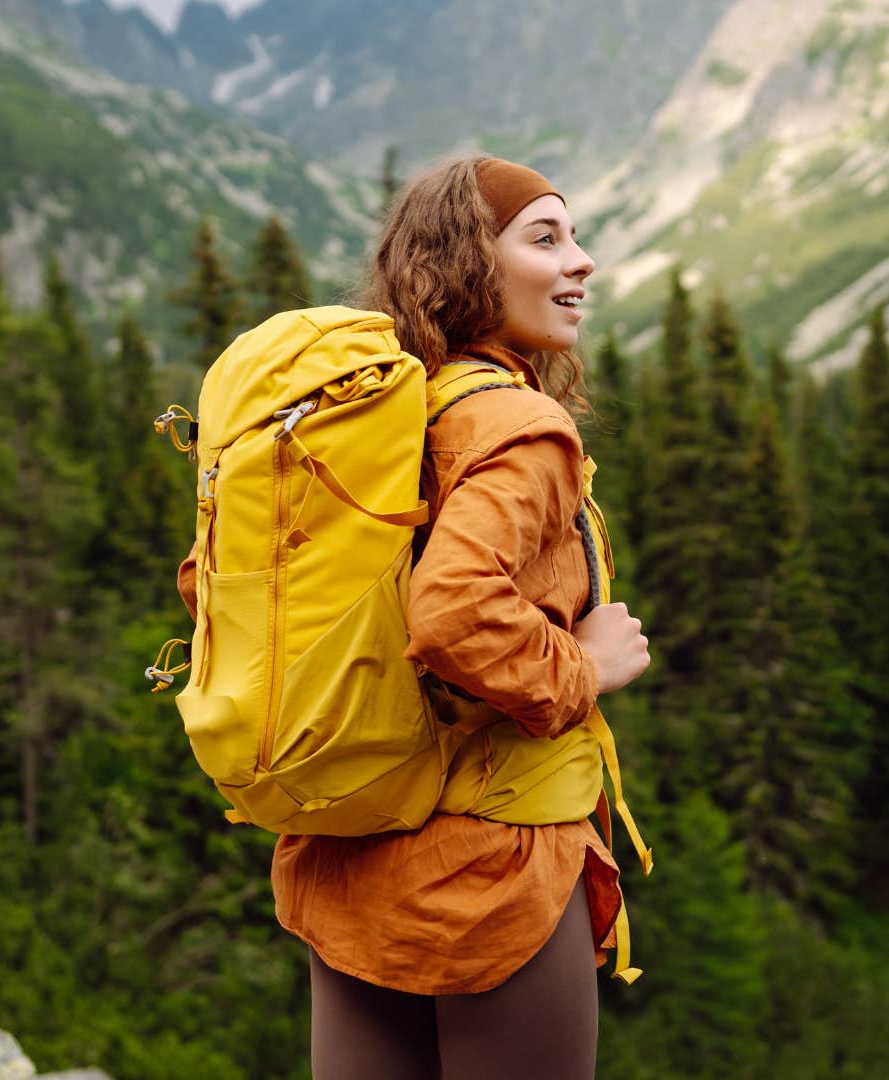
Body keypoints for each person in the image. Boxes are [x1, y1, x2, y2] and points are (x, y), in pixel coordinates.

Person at [182, 155, 652, 1079]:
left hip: (350, 850)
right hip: (494, 868)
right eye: (546, 238)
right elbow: (452, 611)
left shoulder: (368, 419)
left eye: (576, 236)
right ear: (473, 262)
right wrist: (585, 667)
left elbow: (216, 586)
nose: (582, 261)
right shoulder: (516, 426)